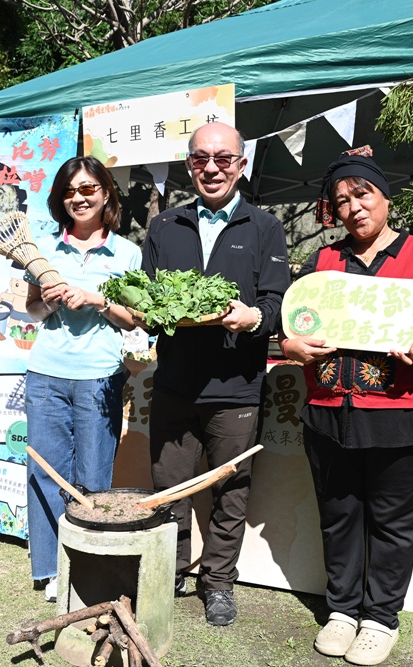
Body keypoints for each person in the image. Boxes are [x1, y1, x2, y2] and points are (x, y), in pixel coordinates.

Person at [279, 153, 413, 666]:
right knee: (338, 516)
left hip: (402, 411)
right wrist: (290, 346)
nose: (353, 208)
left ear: (384, 198)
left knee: (393, 523)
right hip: (329, 408)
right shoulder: (323, 264)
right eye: (342, 201)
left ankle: (380, 618)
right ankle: (342, 610)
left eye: (363, 195)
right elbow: (294, 323)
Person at [141, 121, 290, 626]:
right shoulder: (165, 227)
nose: (212, 167)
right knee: (171, 487)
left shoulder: (264, 226)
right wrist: (143, 312)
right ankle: (172, 572)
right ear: (188, 164)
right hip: (176, 383)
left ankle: (219, 582)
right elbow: (148, 299)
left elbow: (276, 302)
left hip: (236, 388)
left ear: (241, 165)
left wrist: (254, 318)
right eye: (201, 158)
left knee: (231, 490)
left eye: (223, 158)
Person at [23, 156, 140, 603]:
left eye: (89, 189)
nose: (80, 197)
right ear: (61, 198)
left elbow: (133, 319)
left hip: (99, 378)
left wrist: (97, 299)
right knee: (47, 472)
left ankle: (89, 564)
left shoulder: (127, 253)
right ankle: (52, 568)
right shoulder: (41, 251)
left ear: (107, 193)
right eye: (71, 191)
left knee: (93, 478)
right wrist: (51, 301)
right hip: (46, 375)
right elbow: (32, 310)